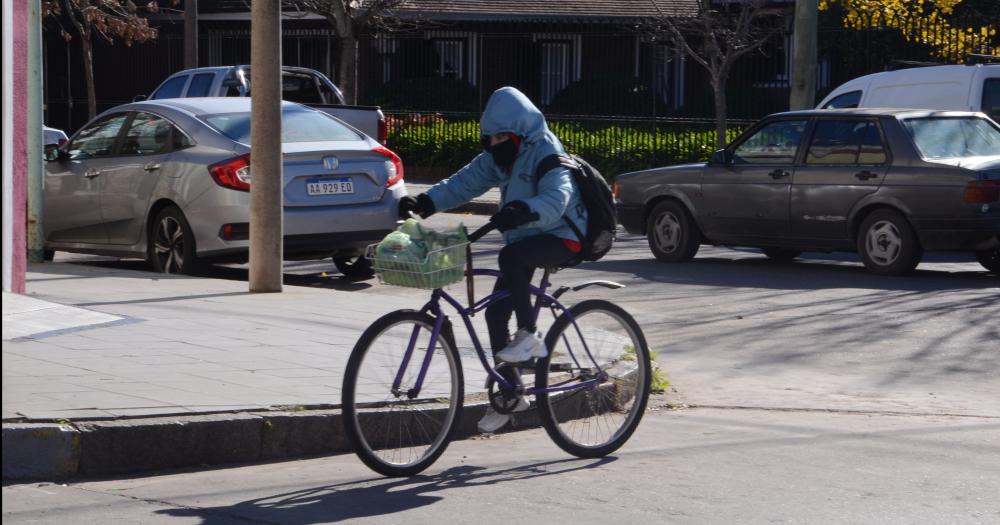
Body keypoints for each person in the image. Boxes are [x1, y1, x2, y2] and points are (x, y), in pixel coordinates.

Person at [398, 86, 587, 433]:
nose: (496, 143)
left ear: (520, 132)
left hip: (563, 236)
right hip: (528, 235)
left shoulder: (546, 152)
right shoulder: (501, 155)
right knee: (495, 310)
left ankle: (529, 336)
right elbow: (465, 182)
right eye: (491, 138)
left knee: (510, 257)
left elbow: (557, 198)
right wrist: (425, 201)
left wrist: (524, 211)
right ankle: (512, 391)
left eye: (503, 136)